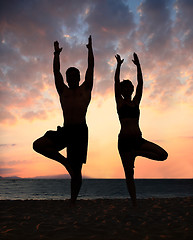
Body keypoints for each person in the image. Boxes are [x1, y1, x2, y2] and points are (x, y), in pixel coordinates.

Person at [33, 36, 94, 203]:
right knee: (38, 145)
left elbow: (91, 67)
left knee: (77, 170)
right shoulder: (63, 91)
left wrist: (90, 50)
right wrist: (56, 54)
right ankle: (65, 162)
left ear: (79, 78)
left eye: (75, 75)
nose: (72, 78)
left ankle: (73, 201)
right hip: (66, 130)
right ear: (67, 79)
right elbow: (56, 73)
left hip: (80, 131)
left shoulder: (85, 89)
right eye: (70, 76)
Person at [114, 53, 168, 207]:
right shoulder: (119, 102)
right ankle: (134, 203)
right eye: (124, 87)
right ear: (122, 90)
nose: (127, 88)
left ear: (131, 89)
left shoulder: (136, 102)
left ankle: (138, 153)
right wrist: (118, 66)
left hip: (138, 141)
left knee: (163, 155)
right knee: (129, 175)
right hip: (124, 142)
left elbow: (141, 84)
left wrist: (138, 66)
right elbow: (115, 83)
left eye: (129, 87)